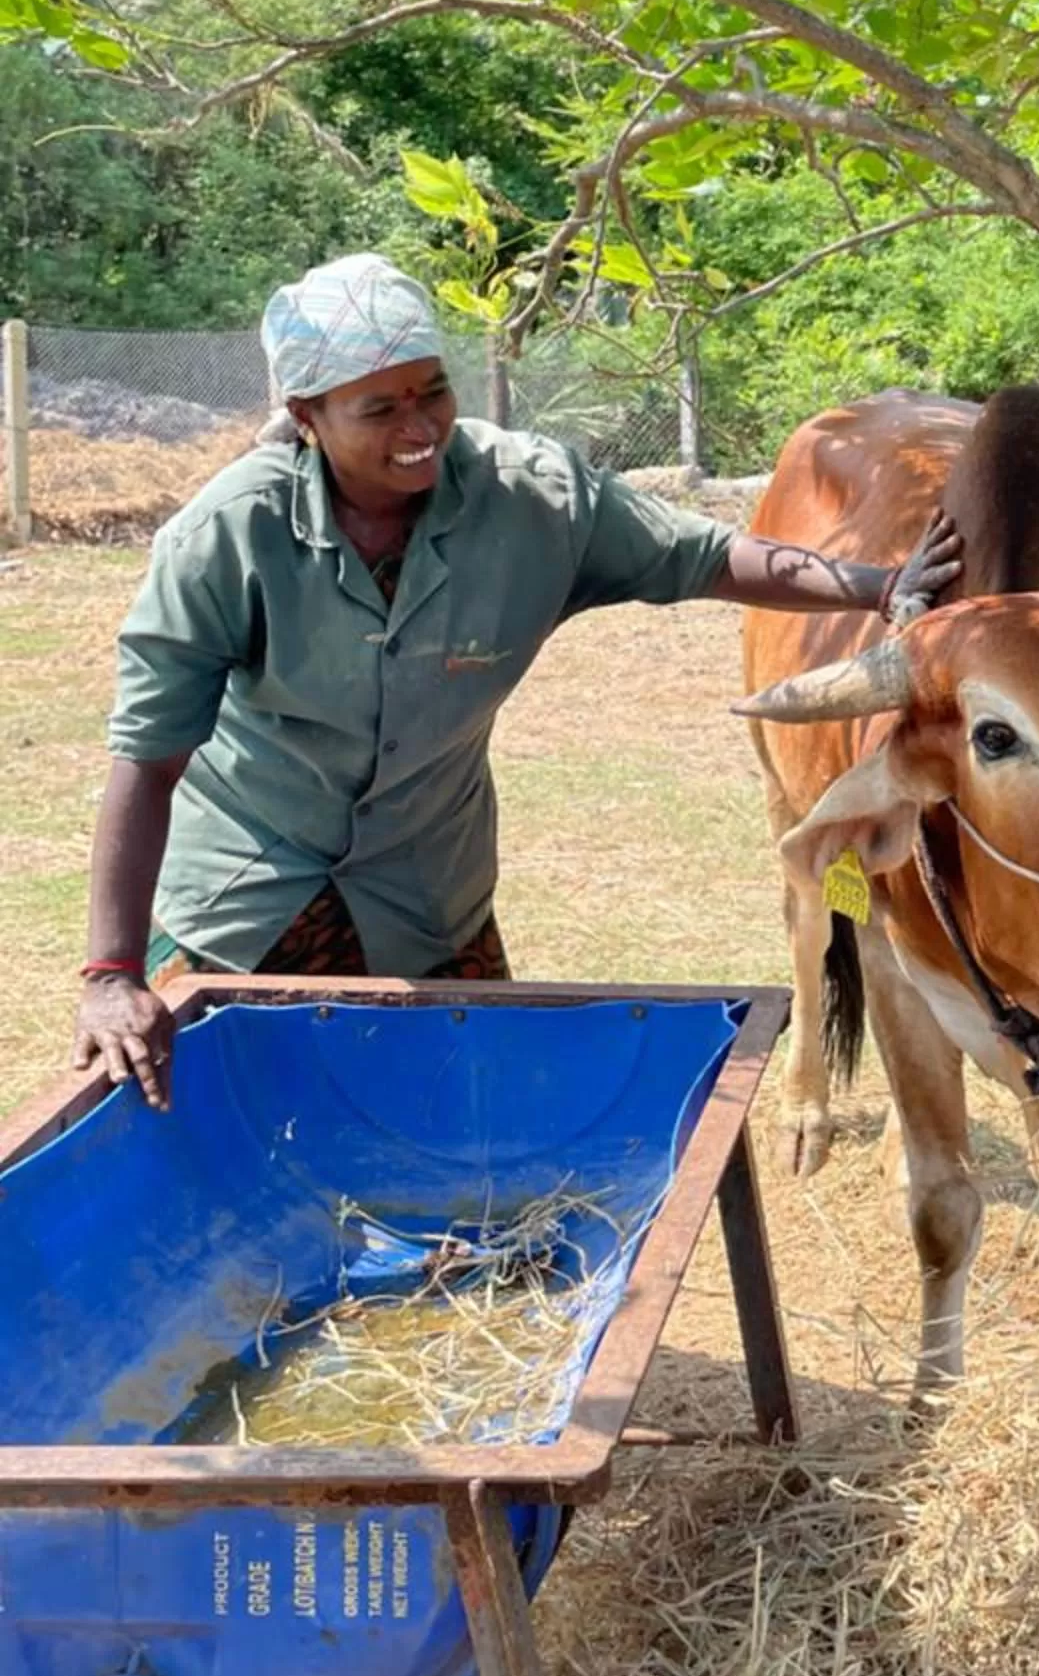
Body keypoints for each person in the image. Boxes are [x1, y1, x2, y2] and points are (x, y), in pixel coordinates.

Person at [73, 253, 960, 1106]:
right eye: (379, 409)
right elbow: (148, 762)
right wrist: (111, 975)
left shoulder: (533, 499)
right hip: (249, 902)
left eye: (432, 392)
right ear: (307, 416)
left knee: (470, 1130)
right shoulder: (225, 537)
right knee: (232, 1131)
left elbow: (707, 555)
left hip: (427, 897)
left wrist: (879, 586)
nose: (419, 428)